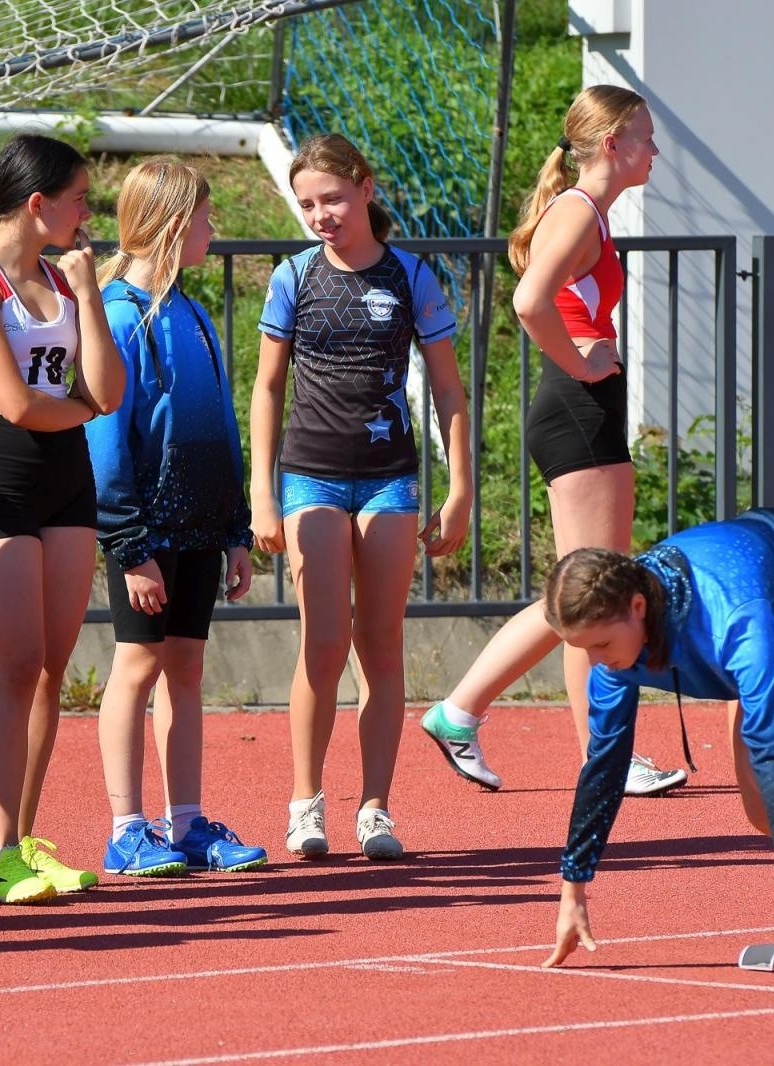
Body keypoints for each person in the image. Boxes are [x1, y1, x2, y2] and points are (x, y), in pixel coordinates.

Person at [420, 85, 689, 798]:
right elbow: (529, 302)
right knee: (595, 592)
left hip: (579, 410)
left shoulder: (583, 210)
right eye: (647, 137)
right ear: (614, 144)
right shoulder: (577, 211)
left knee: (587, 591)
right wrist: (582, 363)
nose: (656, 151)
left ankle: (478, 717)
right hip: (578, 409)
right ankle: (473, 713)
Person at [539, 508, 774, 982]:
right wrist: (573, 889)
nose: (595, 662)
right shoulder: (615, 651)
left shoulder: (732, 619)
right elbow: (604, 765)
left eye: (600, 645)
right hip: (767, 597)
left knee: (765, 773)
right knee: (760, 810)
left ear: (637, 607)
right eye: (582, 650)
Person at [250, 134, 473, 860]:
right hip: (309, 476)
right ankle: (305, 802)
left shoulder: (412, 275)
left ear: (366, 189)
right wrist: (261, 490)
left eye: (334, 199)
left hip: (389, 478)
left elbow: (448, 390)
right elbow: (267, 386)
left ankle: (375, 807)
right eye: (308, 203)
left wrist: (461, 488)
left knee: (381, 643)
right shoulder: (294, 276)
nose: (321, 215)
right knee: (323, 642)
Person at [0, 133, 123, 903]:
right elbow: (14, 403)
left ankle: (25, 840)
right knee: (13, 665)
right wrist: (81, 406)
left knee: (49, 669)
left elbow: (109, 389)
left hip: (66, 477)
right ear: (38, 203)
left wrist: (88, 297)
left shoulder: (61, 277)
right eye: (79, 200)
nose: (88, 215)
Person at [87, 158, 265, 876]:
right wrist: (130, 546)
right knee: (138, 666)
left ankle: (186, 824)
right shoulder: (117, 315)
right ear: (170, 223)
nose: (212, 229)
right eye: (203, 217)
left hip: (200, 523)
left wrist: (235, 531)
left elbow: (221, 423)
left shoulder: (191, 312)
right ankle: (126, 828)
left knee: (185, 668)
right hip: (146, 530)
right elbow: (105, 439)